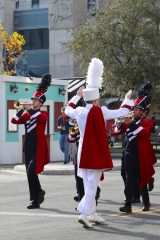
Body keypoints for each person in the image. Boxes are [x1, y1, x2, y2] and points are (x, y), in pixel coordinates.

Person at [65, 58, 134, 228]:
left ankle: (93, 213)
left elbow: (67, 109)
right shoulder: (101, 111)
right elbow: (123, 111)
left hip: (83, 151)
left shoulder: (79, 111)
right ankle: (84, 212)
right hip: (96, 152)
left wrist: (76, 96)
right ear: (96, 100)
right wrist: (127, 99)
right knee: (92, 185)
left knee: (90, 182)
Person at [115, 83, 157, 213]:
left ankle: (146, 202)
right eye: (134, 110)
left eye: (137, 110)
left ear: (143, 113)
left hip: (140, 155)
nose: (134, 112)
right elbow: (117, 132)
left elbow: (143, 133)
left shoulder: (147, 123)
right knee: (129, 178)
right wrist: (119, 122)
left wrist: (130, 124)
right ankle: (128, 204)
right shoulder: (130, 121)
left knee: (141, 179)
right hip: (129, 154)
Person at [11, 73, 51, 209]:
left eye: (35, 99)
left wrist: (29, 111)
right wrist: (21, 110)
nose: (32, 101)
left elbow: (39, 117)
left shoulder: (43, 113)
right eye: (32, 99)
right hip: (28, 144)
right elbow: (14, 121)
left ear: (40, 102)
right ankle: (35, 197)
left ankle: (37, 195)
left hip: (38, 145)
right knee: (30, 173)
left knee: (30, 171)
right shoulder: (28, 113)